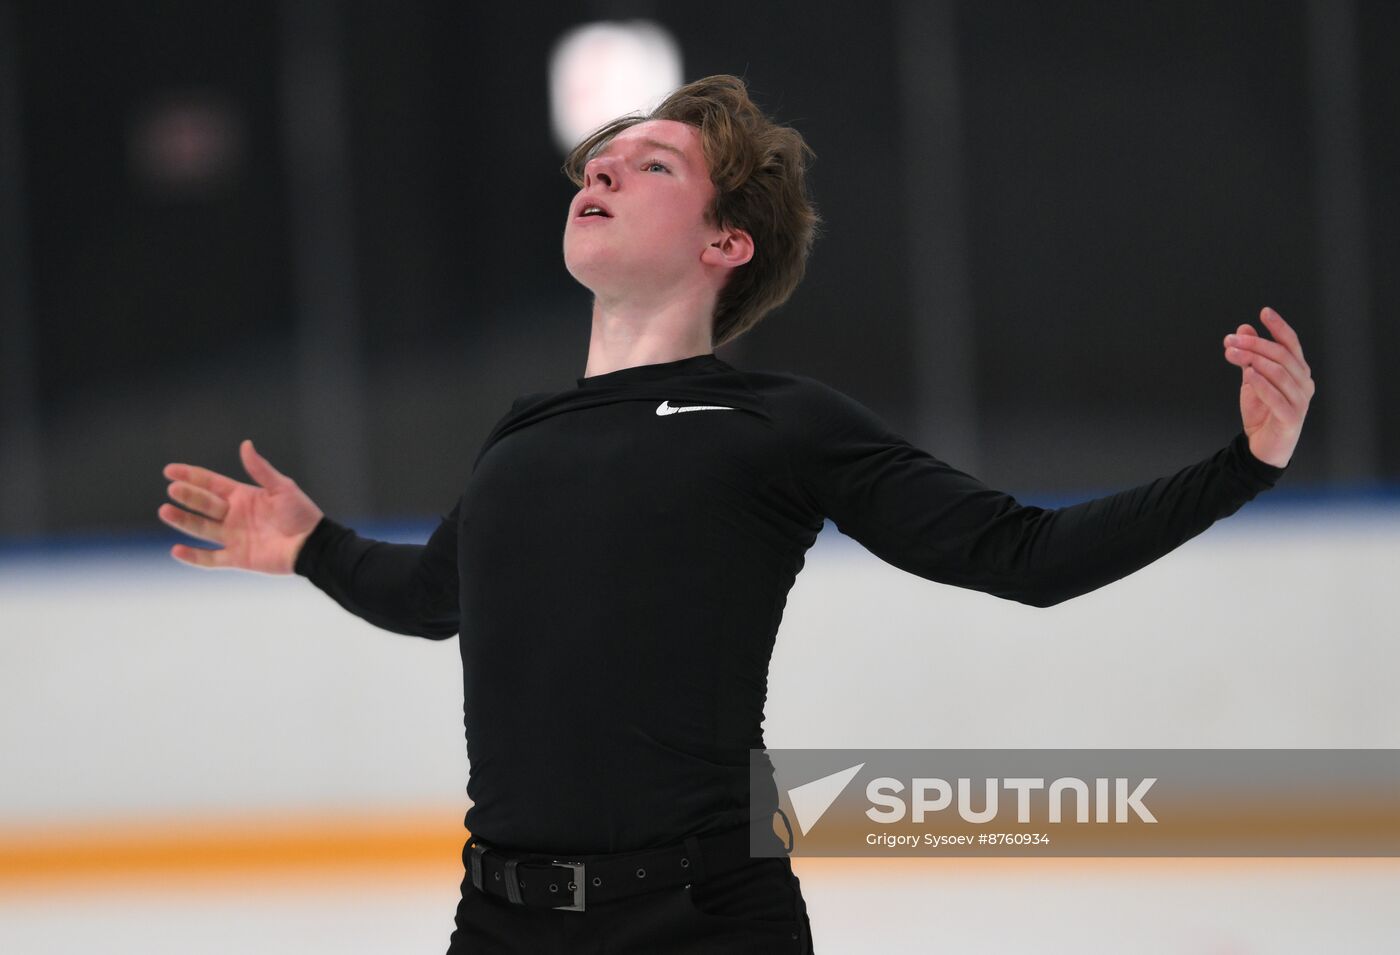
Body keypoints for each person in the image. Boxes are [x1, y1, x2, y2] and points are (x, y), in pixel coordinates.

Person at [157, 74, 1314, 954]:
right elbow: (433, 600)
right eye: (596, 163)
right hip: (497, 919)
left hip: (701, 919)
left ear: (726, 243)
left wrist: (1242, 464)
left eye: (647, 165)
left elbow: (1025, 554)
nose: (597, 174)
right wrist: (310, 545)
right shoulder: (521, 433)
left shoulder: (776, 422)